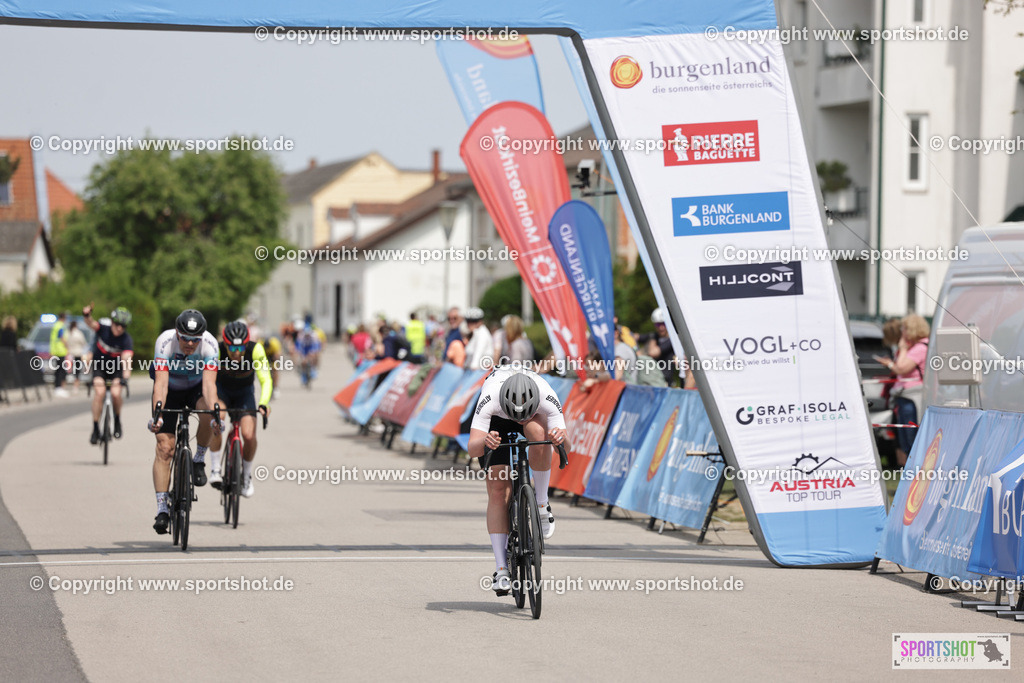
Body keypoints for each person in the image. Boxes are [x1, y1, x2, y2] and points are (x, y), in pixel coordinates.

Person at [467, 368, 571, 595]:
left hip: (535, 417)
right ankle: (501, 569)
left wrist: (558, 440)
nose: (519, 415)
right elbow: (472, 447)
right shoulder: (490, 398)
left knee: (538, 432)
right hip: (497, 422)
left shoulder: (546, 395)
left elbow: (567, 446)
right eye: (516, 413)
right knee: (498, 490)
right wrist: (487, 441)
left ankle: (542, 503)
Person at [148, 309, 221, 535]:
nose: (189, 344)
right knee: (165, 448)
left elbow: (209, 386)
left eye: (194, 340)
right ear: (177, 334)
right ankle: (162, 509)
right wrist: (158, 415)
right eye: (185, 339)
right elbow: (160, 384)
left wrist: (216, 413)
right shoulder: (165, 342)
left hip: (195, 389)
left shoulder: (209, 344)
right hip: (170, 389)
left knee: (208, 413)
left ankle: (198, 458)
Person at [208, 320, 272, 498]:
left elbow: (265, 379)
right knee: (217, 418)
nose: (237, 353)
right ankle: (215, 469)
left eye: (241, 349)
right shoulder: (217, 350)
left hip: (244, 394)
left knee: (249, 435)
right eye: (233, 349)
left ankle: (246, 475)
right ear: (226, 344)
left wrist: (263, 403)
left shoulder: (255, 350)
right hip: (222, 392)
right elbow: (207, 379)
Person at [875, 314, 930, 466]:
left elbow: (901, 368)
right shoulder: (919, 346)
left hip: (912, 397)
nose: (902, 331)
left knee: (911, 438)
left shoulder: (920, 348)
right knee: (905, 439)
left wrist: (902, 348)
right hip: (905, 396)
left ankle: (914, 473)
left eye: (904, 328)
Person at [83, 305, 134, 441]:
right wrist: (86, 315)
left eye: (123, 326)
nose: (119, 328)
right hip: (100, 367)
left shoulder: (126, 339)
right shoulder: (103, 329)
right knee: (99, 393)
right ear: (112, 322)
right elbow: (90, 323)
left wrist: (125, 378)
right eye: (117, 324)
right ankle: (95, 428)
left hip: (116, 370)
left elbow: (127, 360)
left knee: (116, 394)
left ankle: (117, 420)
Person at [293, 319, 322, 387]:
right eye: (306, 335)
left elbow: (316, 345)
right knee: (303, 362)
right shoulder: (301, 336)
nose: (307, 336)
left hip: (311, 347)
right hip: (304, 348)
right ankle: (303, 376)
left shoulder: (314, 335)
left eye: (308, 334)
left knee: (314, 356)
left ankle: (313, 369)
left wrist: (314, 352)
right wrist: (300, 353)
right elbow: (299, 346)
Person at [50, 311, 69, 397]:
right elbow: (62, 337)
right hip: (61, 350)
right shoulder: (61, 326)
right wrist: (67, 346)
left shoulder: (55, 325)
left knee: (57, 370)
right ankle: (59, 388)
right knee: (61, 370)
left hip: (55, 350)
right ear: (64, 318)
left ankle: (57, 387)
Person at [65, 320, 88, 393]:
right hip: (78, 353)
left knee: (68, 370)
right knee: (77, 371)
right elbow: (83, 343)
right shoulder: (78, 333)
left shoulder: (68, 333)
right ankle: (75, 386)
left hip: (69, 354)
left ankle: (64, 385)